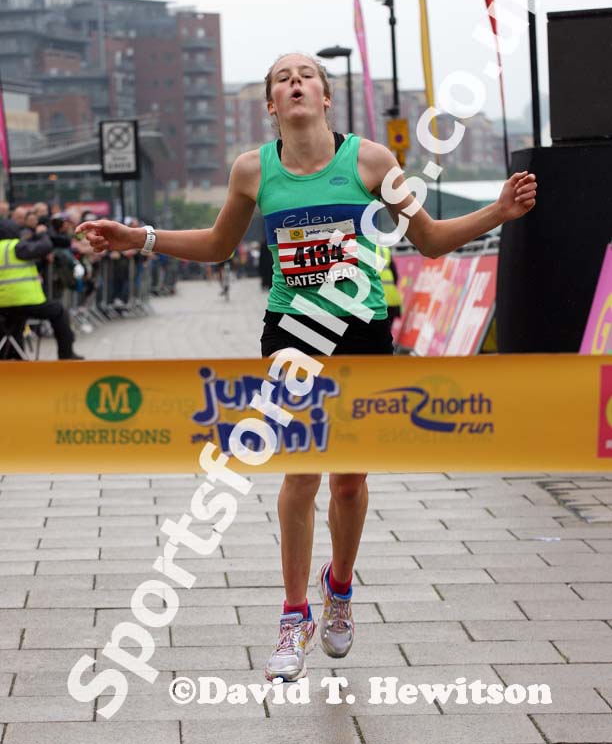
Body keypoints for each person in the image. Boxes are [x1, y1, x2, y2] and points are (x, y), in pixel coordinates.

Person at [76, 52, 537, 682]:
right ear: (272, 104)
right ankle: (294, 614)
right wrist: (141, 238)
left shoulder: (371, 162)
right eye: (282, 79)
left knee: (348, 481)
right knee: (300, 474)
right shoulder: (252, 171)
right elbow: (217, 247)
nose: (295, 82)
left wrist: (499, 214)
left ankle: (338, 589)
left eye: (306, 75)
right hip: (292, 334)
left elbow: (426, 240)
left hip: (363, 333)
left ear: (324, 97)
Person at [0, 219, 84, 360]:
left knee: (14, 321)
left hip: (2, 305)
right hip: (24, 301)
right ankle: (66, 354)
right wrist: (43, 233)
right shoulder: (15, 247)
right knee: (58, 311)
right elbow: (44, 247)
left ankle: (12, 355)